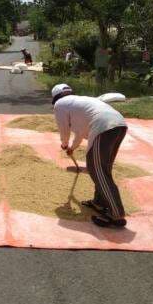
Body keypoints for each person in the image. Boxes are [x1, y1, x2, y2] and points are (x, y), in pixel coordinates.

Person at [51, 83, 128, 228]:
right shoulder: (79, 103)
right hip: (118, 124)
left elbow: (63, 129)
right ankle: (99, 202)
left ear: (55, 97)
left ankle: (116, 214)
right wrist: (72, 148)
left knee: (97, 170)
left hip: (103, 126)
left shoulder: (60, 104)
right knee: (102, 169)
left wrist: (64, 144)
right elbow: (79, 133)